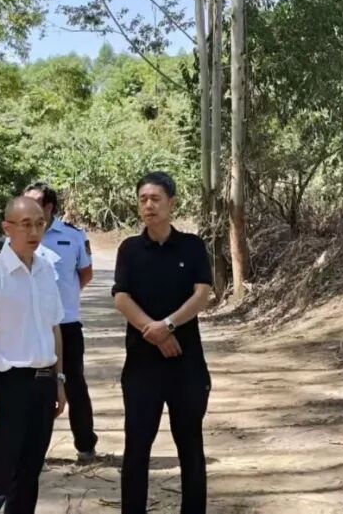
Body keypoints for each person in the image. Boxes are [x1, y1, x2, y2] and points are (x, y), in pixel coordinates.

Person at [113, 172, 212, 514]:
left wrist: (168, 326)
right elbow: (121, 297)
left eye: (155, 199)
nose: (149, 205)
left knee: (191, 447)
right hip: (141, 367)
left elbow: (202, 294)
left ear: (172, 203)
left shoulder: (192, 246)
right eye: (143, 199)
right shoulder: (129, 249)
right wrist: (152, 332)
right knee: (136, 449)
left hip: (187, 365)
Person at [0, 197, 67, 514]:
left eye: (39, 224)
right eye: (25, 225)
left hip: (43, 383)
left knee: (29, 473)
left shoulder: (46, 270)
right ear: (7, 228)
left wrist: (59, 381)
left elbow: (54, 328)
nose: (34, 232)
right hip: (7, 386)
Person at [22, 183, 97, 464]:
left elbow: (85, 273)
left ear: (49, 207)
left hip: (66, 324)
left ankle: (85, 445)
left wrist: (64, 300)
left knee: (74, 384)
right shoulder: (16, 235)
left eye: (34, 203)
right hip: (30, 326)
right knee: (33, 387)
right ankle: (33, 450)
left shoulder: (72, 236)